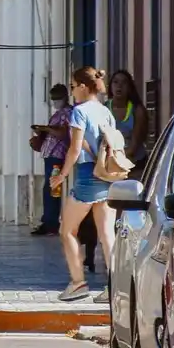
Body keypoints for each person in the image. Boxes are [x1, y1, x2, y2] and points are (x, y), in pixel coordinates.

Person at [59, 67, 119, 302]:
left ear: (83, 86)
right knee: (107, 234)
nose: (72, 91)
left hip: (87, 176)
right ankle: (115, 286)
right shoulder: (106, 112)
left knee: (67, 230)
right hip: (107, 175)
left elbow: (74, 149)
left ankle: (77, 282)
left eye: (73, 86)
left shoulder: (79, 112)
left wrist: (62, 174)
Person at [32, 84, 71, 236]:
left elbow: (63, 133)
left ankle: (51, 223)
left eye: (57, 98)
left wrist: (46, 129)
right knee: (48, 189)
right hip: (50, 155)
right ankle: (47, 220)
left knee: (53, 190)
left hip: (58, 156)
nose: (55, 102)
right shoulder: (57, 113)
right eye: (53, 99)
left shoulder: (68, 112)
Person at [109, 70, 150, 168]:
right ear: (110, 86)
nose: (119, 86)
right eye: (115, 82)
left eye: (124, 82)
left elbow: (133, 147)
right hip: (111, 165)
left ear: (129, 87)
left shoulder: (137, 110)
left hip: (135, 165)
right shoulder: (103, 109)